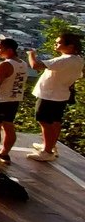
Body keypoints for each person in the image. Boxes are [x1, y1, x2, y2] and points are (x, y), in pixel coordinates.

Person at [25, 32, 84, 163]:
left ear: (70, 46)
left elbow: (36, 66)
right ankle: (50, 145)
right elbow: (80, 75)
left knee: (44, 121)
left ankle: (47, 151)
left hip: (49, 94)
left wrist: (31, 55)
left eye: (59, 42)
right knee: (55, 122)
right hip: (61, 94)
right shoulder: (79, 60)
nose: (55, 44)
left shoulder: (63, 59)